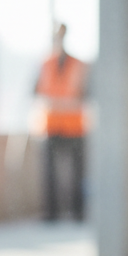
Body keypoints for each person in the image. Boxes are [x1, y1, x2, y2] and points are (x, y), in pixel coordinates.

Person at [34, 24, 88, 221]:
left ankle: (77, 212)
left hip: (74, 126)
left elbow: (86, 94)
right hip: (51, 126)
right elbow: (36, 93)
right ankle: (51, 214)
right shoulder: (45, 63)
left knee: (77, 173)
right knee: (49, 174)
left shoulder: (78, 64)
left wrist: (68, 103)